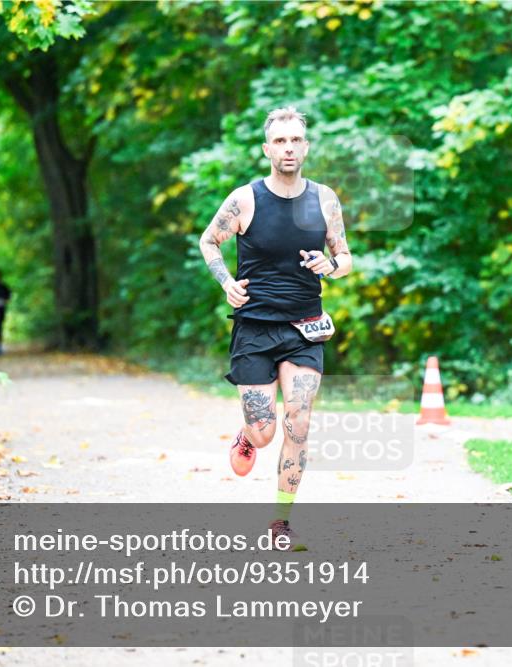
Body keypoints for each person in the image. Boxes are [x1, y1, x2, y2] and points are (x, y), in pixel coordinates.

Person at [198, 106, 352, 548]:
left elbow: (345, 257)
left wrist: (332, 265)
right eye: (280, 141)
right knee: (265, 432)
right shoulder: (245, 199)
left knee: (299, 423)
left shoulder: (324, 199)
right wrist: (226, 281)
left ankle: (280, 522)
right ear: (268, 149)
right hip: (255, 329)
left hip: (304, 327)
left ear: (305, 147)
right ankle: (248, 435)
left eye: (295, 140)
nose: (288, 148)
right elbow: (209, 240)